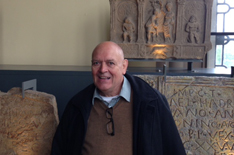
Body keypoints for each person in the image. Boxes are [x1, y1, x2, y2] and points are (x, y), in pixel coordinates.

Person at [51, 41, 186, 155]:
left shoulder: (152, 102)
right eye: (96, 63)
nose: (103, 70)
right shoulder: (76, 106)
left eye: (110, 63)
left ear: (124, 66)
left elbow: (174, 149)